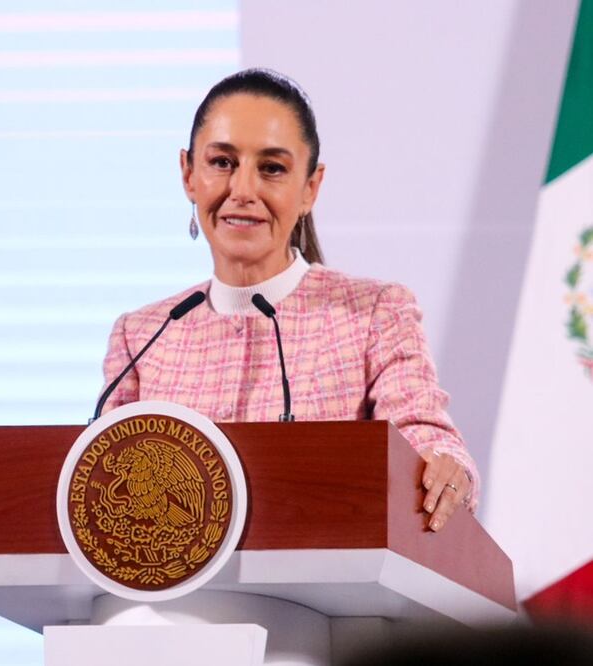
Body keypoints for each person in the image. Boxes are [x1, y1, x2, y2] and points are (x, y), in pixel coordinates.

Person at [99, 68, 477, 532]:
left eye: (272, 169)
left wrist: (444, 466)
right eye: (222, 162)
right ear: (188, 174)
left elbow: (425, 437)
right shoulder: (141, 336)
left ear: (310, 188)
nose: (243, 191)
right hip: (172, 596)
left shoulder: (374, 312)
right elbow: (101, 481)